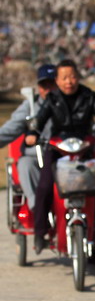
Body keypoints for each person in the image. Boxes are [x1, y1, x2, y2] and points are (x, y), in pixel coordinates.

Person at [25, 58, 95, 254]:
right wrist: (33, 133)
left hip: (85, 149)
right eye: (64, 78)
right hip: (57, 149)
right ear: (57, 81)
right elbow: (38, 121)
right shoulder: (52, 98)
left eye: (73, 77)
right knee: (44, 187)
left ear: (78, 77)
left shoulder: (89, 96)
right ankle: (40, 232)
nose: (69, 81)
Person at [0, 64, 57, 210]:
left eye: (52, 84)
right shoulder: (30, 106)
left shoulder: (70, 103)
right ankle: (36, 206)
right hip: (36, 157)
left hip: (62, 155)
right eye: (44, 85)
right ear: (39, 87)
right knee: (25, 163)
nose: (48, 89)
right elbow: (10, 129)